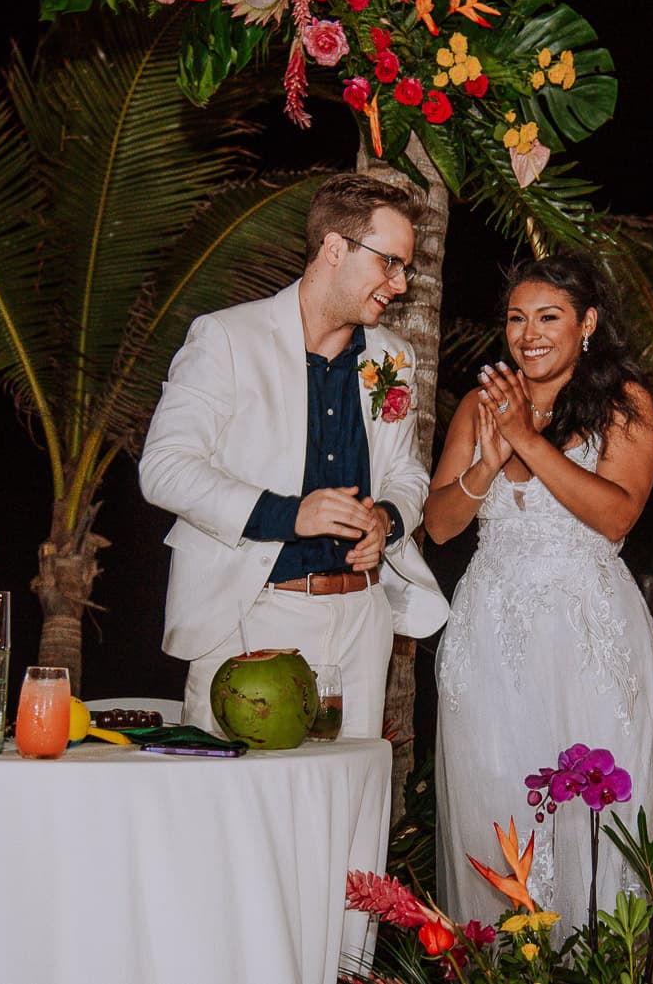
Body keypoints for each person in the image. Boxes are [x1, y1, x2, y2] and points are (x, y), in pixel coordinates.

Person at [425, 251, 653, 932]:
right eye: (516, 319)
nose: (529, 334)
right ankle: (510, 967)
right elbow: (439, 525)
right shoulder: (479, 403)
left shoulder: (625, 400)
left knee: (601, 811)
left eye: (548, 316)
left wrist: (528, 437)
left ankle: (606, 960)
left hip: (587, 631)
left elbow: (616, 513)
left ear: (586, 323)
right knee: (497, 803)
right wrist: (488, 461)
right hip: (491, 634)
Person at [138, 174, 449, 739]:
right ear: (334, 248)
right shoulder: (227, 338)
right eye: (389, 263)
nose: (400, 284)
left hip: (361, 621)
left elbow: (407, 474)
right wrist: (290, 514)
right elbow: (164, 468)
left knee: (346, 814)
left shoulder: (393, 359)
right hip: (248, 615)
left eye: (405, 268)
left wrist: (389, 518)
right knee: (237, 814)